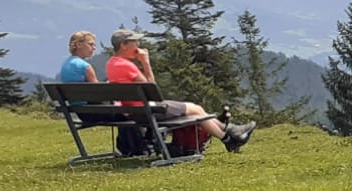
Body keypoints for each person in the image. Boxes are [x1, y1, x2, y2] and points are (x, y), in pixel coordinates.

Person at [103, 30, 255, 151]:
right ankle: (229, 138)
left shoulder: (111, 63)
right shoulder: (127, 65)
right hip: (146, 111)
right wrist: (145, 62)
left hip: (134, 112)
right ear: (124, 45)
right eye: (134, 41)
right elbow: (151, 87)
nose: (138, 44)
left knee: (196, 109)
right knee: (196, 109)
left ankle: (231, 133)